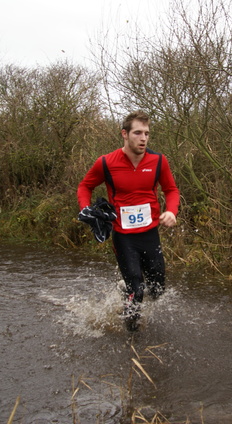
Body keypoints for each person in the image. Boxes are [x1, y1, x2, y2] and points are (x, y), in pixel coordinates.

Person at [77, 111, 180, 331]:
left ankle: (126, 290)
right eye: (137, 133)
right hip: (123, 236)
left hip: (149, 233)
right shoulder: (105, 162)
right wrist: (85, 208)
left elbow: (171, 189)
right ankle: (132, 338)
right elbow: (85, 186)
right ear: (125, 134)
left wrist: (172, 211)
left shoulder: (158, 161)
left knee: (157, 289)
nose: (143, 138)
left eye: (147, 134)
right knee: (137, 288)